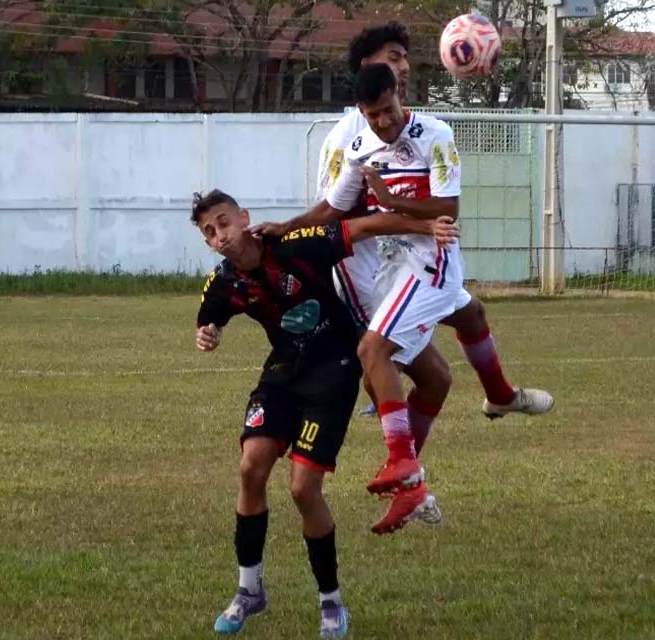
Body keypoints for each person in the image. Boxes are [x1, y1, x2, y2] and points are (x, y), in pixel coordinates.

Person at [256, 22, 553, 425]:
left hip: (409, 259)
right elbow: (333, 212)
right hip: (365, 271)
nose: (406, 66)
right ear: (367, 67)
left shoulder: (417, 127)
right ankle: (401, 461)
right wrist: (292, 230)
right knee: (430, 375)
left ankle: (498, 396)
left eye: (406, 57)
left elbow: (439, 200)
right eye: (394, 57)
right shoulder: (350, 136)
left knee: (472, 315)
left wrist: (417, 222)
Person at [191, 190, 457, 636]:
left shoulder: (297, 244)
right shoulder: (223, 282)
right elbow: (208, 319)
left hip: (334, 369)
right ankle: (249, 591)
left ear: (245, 218)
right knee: (251, 468)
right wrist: (208, 334)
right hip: (283, 370)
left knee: (302, 488)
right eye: (210, 232)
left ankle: (330, 601)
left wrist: (425, 226)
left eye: (224, 222)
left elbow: (365, 226)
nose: (221, 234)